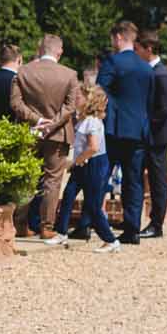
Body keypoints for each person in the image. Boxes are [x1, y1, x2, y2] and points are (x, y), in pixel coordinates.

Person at [12, 34, 82, 244]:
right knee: (52, 181)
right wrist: (52, 124)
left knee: (26, 179)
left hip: (29, 132)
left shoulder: (22, 72)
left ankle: (20, 225)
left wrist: (37, 120)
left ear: (39, 49)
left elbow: (15, 104)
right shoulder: (69, 75)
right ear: (59, 52)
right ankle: (47, 228)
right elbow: (70, 108)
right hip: (58, 134)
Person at [95, 20, 156, 247]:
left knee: (102, 176)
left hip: (115, 129)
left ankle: (93, 222)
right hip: (139, 131)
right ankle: (132, 230)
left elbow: (98, 92)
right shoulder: (146, 68)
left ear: (119, 38)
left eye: (113, 39)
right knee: (134, 182)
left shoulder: (112, 62)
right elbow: (149, 102)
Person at [68, 86, 119, 253]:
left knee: (93, 205)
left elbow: (93, 147)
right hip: (92, 163)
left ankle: (110, 240)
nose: (76, 99)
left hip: (95, 164)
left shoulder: (91, 121)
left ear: (89, 101)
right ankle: (109, 240)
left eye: (79, 97)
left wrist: (76, 162)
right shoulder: (88, 120)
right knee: (91, 204)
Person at [137, 32, 167, 238]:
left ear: (149, 49)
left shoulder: (162, 75)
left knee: (157, 180)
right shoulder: (152, 73)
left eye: (139, 49)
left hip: (157, 136)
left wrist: (141, 122)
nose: (136, 53)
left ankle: (157, 224)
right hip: (150, 135)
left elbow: (163, 111)